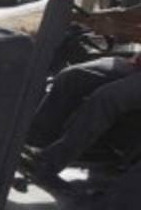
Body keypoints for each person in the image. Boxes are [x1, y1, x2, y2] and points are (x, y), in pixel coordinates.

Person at [24, 52, 141, 189]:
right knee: (71, 75)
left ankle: (49, 162)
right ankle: (33, 142)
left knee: (106, 98)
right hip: (135, 64)